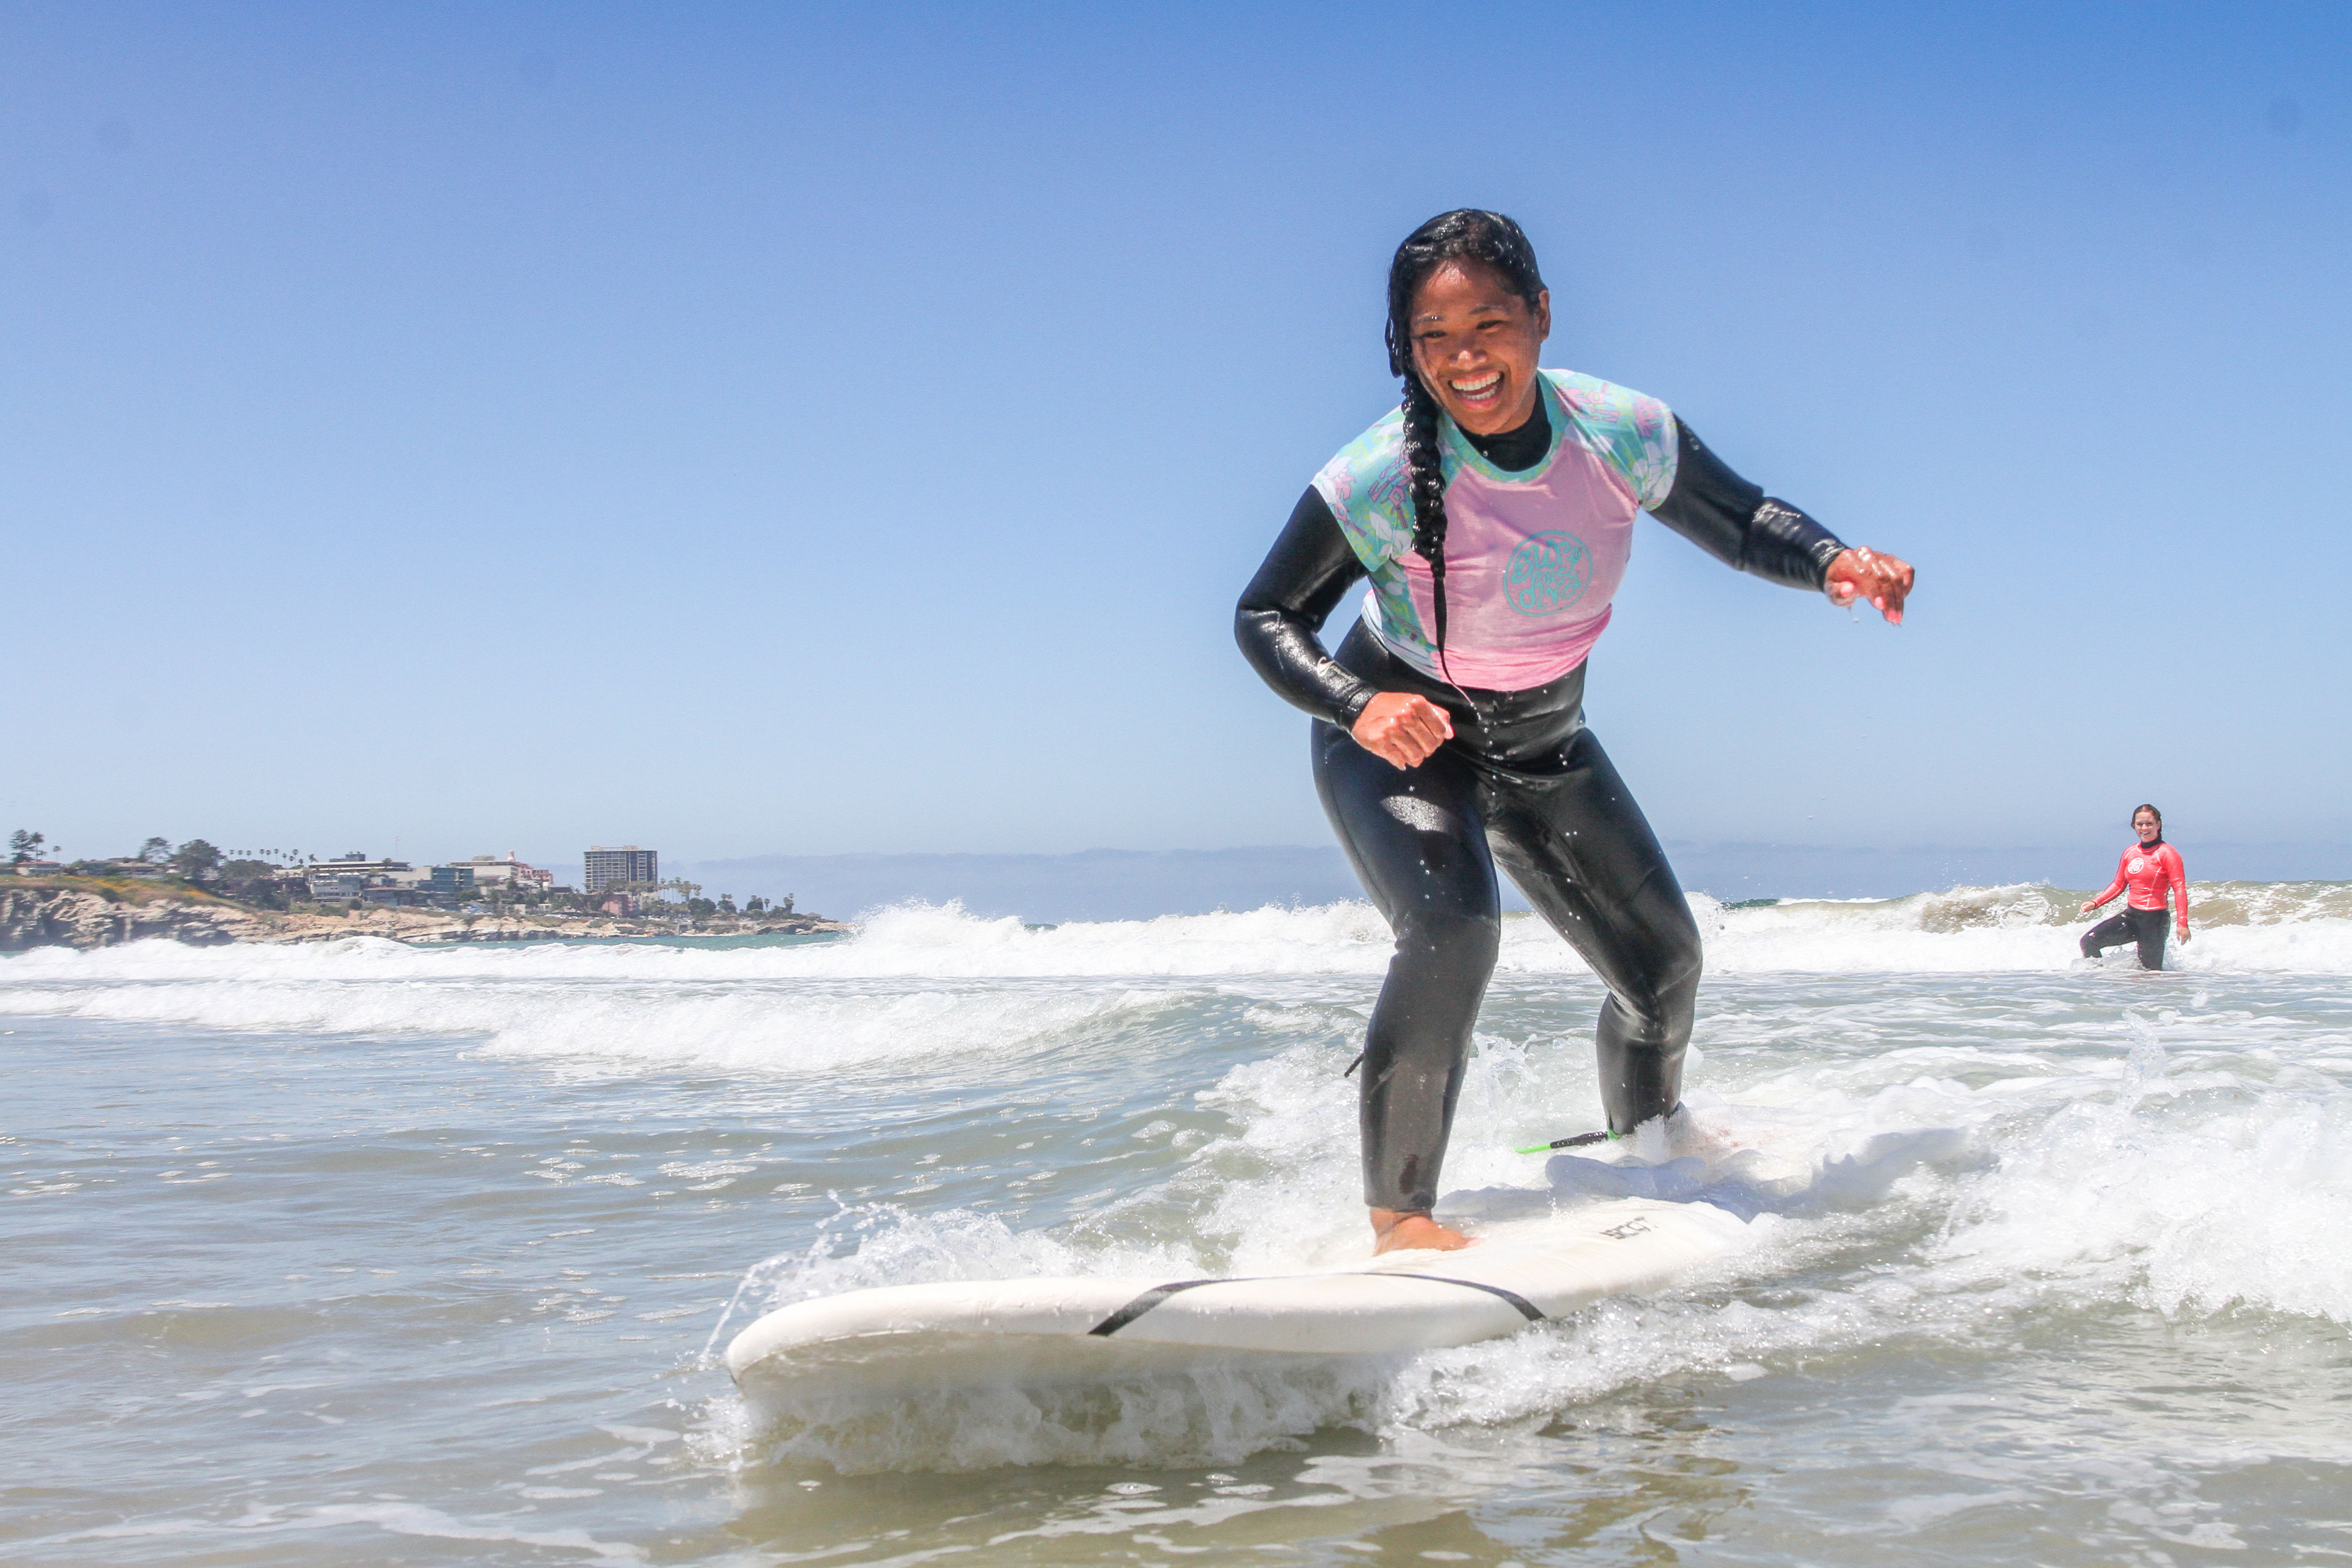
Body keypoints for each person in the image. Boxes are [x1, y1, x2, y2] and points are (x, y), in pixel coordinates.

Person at [1234, 210, 1915, 1254]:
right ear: (1405, 350)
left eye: (1488, 322)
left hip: (1545, 744)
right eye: (1433, 336)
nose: (1464, 356)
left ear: (1541, 316)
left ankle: (1648, 1146)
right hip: (1401, 741)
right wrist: (1356, 704)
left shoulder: (1617, 431)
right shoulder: (1372, 476)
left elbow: (1736, 518)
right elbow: (1264, 614)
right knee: (1454, 927)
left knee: (1661, 968)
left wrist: (1830, 559)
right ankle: (1401, 1216)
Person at [2078, 804, 2190, 969]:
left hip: (2155, 921)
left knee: (2151, 974)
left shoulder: (2167, 853)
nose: (2145, 828)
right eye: (2140, 824)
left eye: (2150, 824)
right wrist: (2096, 903)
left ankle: (2164, 994)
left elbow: (2179, 888)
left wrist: (2182, 924)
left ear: (2158, 825)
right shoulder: (2130, 852)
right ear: (2134, 826)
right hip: (2131, 917)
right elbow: (2119, 884)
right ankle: (2099, 987)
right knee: (2090, 941)